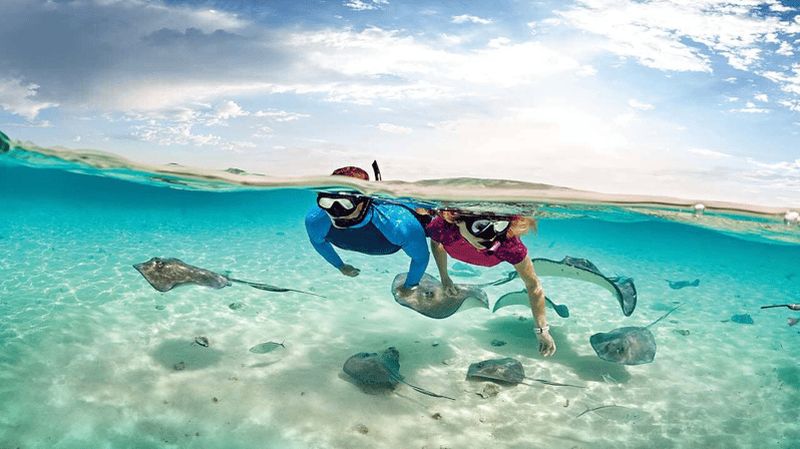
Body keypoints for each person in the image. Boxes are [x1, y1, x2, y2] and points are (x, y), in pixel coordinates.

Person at [427, 210, 556, 356]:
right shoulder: (443, 228)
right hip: (455, 246)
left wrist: (542, 329)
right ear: (458, 220)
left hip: (491, 258)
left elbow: (533, 286)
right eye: (480, 226)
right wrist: (444, 277)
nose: (490, 237)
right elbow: (436, 243)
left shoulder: (508, 244)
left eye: (500, 226)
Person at [305, 166, 429, 296]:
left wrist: (410, 285)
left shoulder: (400, 225)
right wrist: (340, 265)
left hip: (392, 237)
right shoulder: (315, 220)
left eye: (345, 204)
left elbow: (421, 258)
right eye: (326, 202)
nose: (335, 212)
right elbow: (319, 243)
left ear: (363, 200)